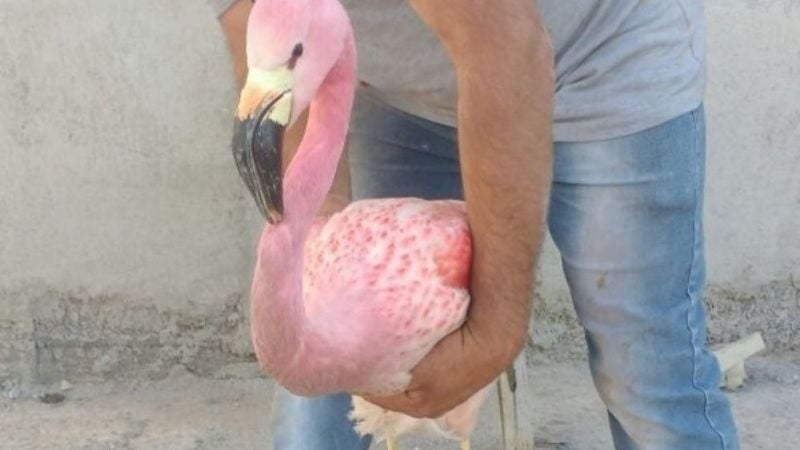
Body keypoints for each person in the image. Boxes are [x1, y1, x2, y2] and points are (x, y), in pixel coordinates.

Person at [211, 0, 741, 448]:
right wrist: (316, 236)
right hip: (408, 91)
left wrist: (492, 333)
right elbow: (256, 29)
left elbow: (505, 47)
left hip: (603, 63)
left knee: (644, 376)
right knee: (324, 350)